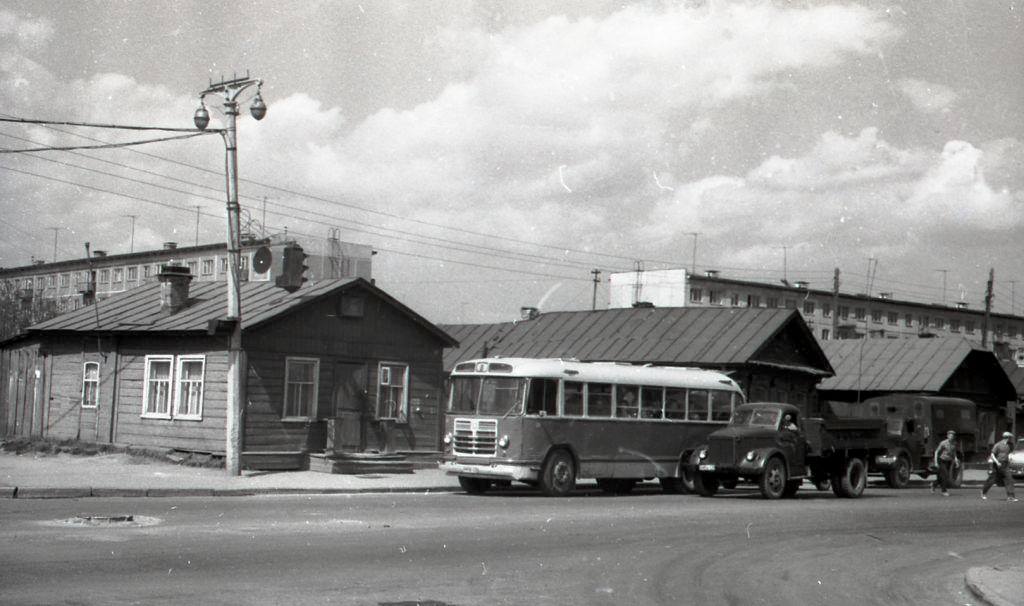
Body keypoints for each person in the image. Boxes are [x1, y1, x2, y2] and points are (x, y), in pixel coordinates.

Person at [981, 431, 1018, 502]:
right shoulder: (998, 445)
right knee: (992, 480)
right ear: (1006, 438)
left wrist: (1009, 458)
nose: (1010, 439)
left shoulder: (1010, 445)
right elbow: (992, 455)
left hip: (1005, 464)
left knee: (1009, 479)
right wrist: (997, 462)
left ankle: (1010, 496)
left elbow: (1010, 453)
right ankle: (983, 492)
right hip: (997, 464)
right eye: (1009, 438)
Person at [930, 430, 959, 496]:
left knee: (942, 477)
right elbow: (936, 452)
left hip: (948, 461)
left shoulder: (954, 443)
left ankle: (934, 484)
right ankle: (944, 491)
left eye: (952, 435)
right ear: (947, 436)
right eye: (950, 435)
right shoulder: (943, 443)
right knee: (945, 475)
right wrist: (936, 462)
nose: (951, 437)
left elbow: (954, 453)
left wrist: (956, 461)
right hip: (941, 461)